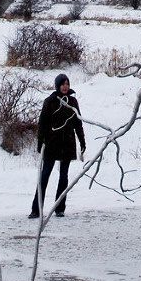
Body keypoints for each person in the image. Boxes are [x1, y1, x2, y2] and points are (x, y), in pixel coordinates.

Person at [29, 72, 86, 219]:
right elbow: (42, 123)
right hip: (51, 144)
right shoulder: (50, 102)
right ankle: (36, 209)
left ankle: (59, 207)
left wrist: (82, 141)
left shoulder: (72, 102)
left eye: (67, 84)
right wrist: (40, 141)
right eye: (63, 84)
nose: (65, 86)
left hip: (67, 143)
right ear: (58, 86)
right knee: (44, 175)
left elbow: (77, 123)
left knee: (63, 176)